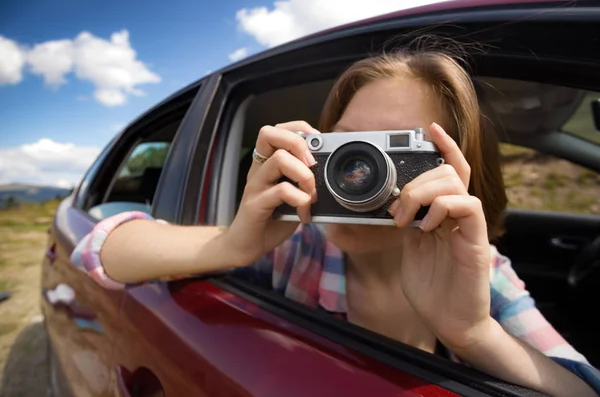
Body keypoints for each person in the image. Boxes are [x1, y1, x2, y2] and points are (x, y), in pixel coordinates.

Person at [71, 45, 600, 396]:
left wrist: (475, 333)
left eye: (395, 152)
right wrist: (234, 245)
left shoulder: (480, 271)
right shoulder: (297, 246)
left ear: (456, 177)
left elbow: (583, 388)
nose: (357, 174)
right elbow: (100, 248)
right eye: (346, 148)